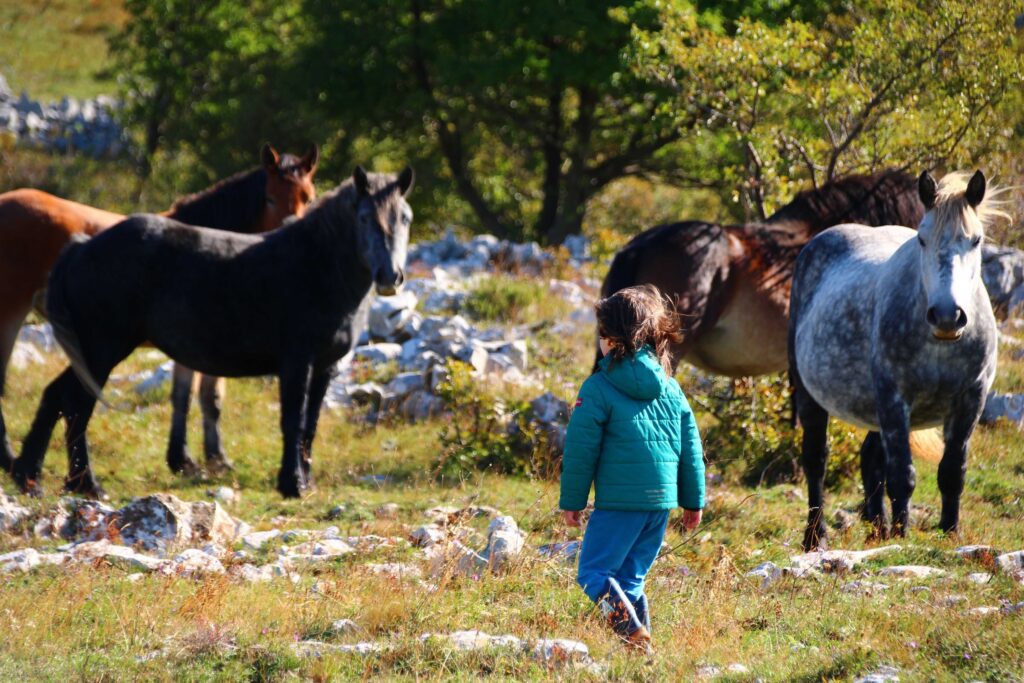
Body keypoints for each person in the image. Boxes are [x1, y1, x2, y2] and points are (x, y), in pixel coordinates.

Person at [560, 284, 705, 654]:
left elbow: (580, 451)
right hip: (660, 503)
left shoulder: (598, 387)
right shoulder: (671, 388)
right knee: (630, 579)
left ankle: (629, 630)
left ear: (609, 339)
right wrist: (693, 502)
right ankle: (641, 654)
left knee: (593, 574)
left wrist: (572, 501)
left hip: (620, 502)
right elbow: (690, 448)